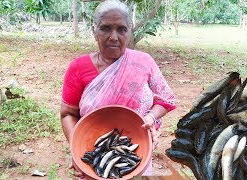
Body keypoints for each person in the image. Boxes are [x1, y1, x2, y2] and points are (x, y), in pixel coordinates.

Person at [60, 0, 176, 178]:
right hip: (93, 152)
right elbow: (68, 113)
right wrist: (75, 148)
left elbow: (164, 100)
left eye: (121, 29)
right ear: (94, 31)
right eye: (106, 28)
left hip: (134, 150)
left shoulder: (143, 62)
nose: (114, 36)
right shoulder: (78, 67)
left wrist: (151, 117)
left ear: (129, 32)